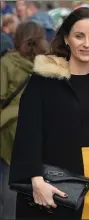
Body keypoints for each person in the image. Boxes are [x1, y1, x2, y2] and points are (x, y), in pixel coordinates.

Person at [9, 7, 89, 219]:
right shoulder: (44, 79)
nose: (86, 44)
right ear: (67, 39)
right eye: (79, 36)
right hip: (55, 185)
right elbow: (28, 132)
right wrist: (35, 179)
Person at [0, 21, 49, 220]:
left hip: (9, 127)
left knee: (9, 176)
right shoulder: (46, 63)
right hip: (38, 127)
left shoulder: (7, 63)